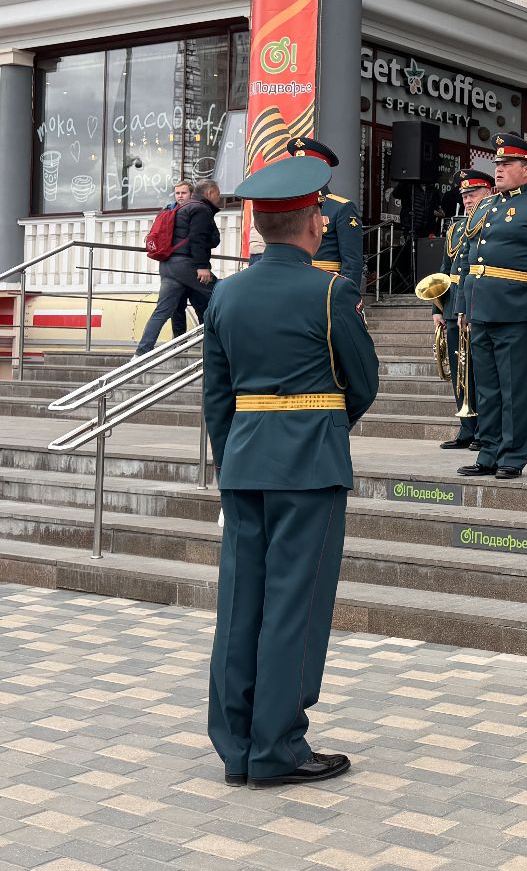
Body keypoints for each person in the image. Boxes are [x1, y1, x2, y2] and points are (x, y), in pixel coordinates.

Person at [203, 151, 379, 789]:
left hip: (245, 460)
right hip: (309, 463)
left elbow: (216, 395)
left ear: (257, 227)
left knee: (240, 603)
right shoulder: (331, 290)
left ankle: (237, 746)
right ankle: (277, 748)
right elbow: (362, 383)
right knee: (294, 607)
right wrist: (322, 427)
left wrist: (233, 457)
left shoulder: (225, 293)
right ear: (313, 223)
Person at [457, 134, 527, 480]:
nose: (499, 170)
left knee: (514, 388)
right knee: (487, 388)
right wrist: (464, 306)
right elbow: (469, 261)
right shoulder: (487, 207)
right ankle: (488, 451)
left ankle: (513, 454)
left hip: (519, 312)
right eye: (498, 164)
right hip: (483, 309)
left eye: (506, 165)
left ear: (526, 169)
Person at [435, 170, 493, 451]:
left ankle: (486, 428)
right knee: (460, 369)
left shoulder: (492, 222)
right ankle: (466, 427)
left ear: (489, 193)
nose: (468, 200)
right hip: (452, 304)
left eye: (474, 194)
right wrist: (437, 306)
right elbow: (445, 271)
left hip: (476, 303)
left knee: (480, 369)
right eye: (465, 195)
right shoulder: (456, 228)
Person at [136, 180, 222, 355]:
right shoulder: (200, 209)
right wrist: (202, 267)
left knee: (163, 310)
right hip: (186, 264)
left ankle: (140, 353)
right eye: (219, 196)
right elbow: (199, 239)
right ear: (211, 193)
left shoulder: (178, 209)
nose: (219, 200)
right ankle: (222, 346)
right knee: (222, 293)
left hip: (168, 265)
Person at [287, 138, 364, 292]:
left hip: (325, 288)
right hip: (292, 285)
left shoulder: (342, 208)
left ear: (321, 171)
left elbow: (352, 262)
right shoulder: (289, 205)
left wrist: (345, 295)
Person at [166, 181, 196, 339]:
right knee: (178, 305)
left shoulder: (196, 210)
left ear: (191, 193)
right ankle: (179, 340)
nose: (180, 196)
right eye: (177, 193)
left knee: (199, 302)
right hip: (179, 263)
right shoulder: (170, 210)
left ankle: (182, 340)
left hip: (187, 264)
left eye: (183, 193)